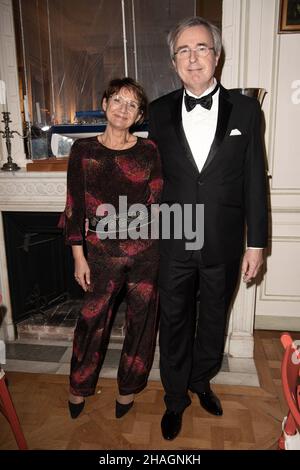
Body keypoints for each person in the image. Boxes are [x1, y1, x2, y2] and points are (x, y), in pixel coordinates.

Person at [148, 17, 268, 440]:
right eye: (183, 50)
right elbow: (146, 175)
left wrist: (257, 244)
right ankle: (175, 397)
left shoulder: (247, 109)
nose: (193, 57)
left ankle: (202, 380)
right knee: (175, 320)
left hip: (224, 240)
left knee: (214, 318)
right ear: (173, 61)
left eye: (201, 48)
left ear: (216, 56)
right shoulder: (157, 111)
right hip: (174, 238)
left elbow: (255, 177)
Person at [60, 77, 163, 419]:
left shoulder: (149, 150)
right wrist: (79, 256)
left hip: (145, 252)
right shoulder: (83, 150)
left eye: (131, 104)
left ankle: (127, 388)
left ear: (139, 115)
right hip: (100, 253)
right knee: (92, 321)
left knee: (142, 322)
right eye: (117, 100)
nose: (123, 108)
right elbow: (74, 205)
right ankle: (79, 386)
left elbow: (157, 199)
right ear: (104, 104)